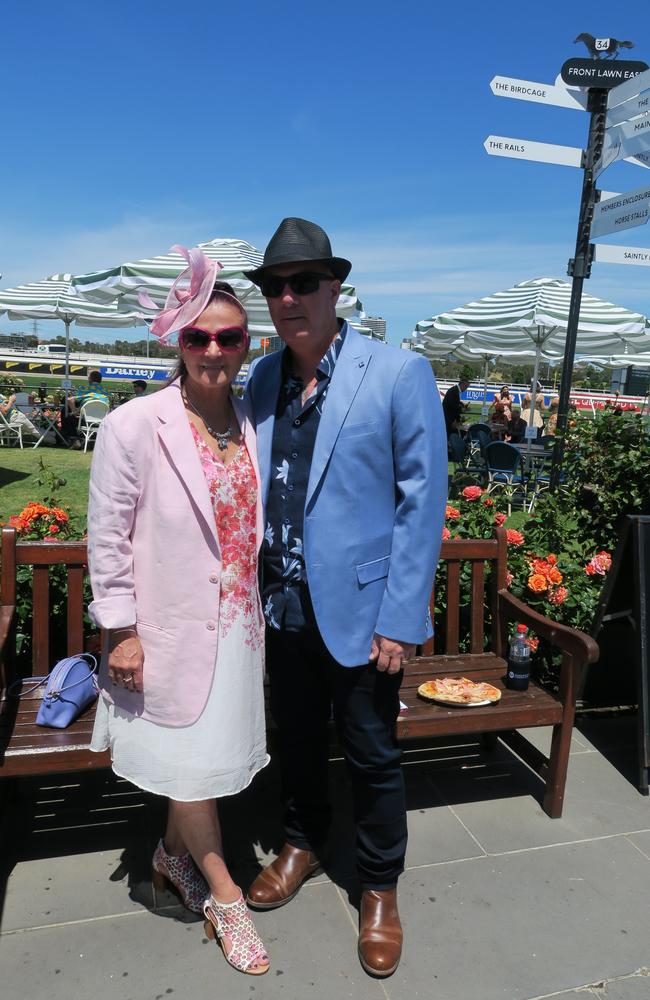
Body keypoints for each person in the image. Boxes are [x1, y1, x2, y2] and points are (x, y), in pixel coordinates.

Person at [244, 218, 447, 978]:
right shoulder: (264, 377)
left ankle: (379, 889)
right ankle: (300, 843)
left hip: (363, 617)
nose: (288, 298)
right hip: (281, 606)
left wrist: (400, 615)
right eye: (276, 287)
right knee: (295, 740)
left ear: (336, 289)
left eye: (303, 283)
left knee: (371, 754)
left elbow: (421, 501)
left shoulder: (396, 373)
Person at [87, 249, 270, 977]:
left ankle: (171, 855)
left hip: (238, 631)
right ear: (177, 342)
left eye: (229, 337)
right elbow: (107, 534)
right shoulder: (136, 425)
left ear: (247, 344)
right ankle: (226, 896)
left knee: (197, 761)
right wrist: (122, 630)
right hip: (163, 629)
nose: (214, 351)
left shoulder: (253, 420)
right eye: (199, 337)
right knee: (193, 770)